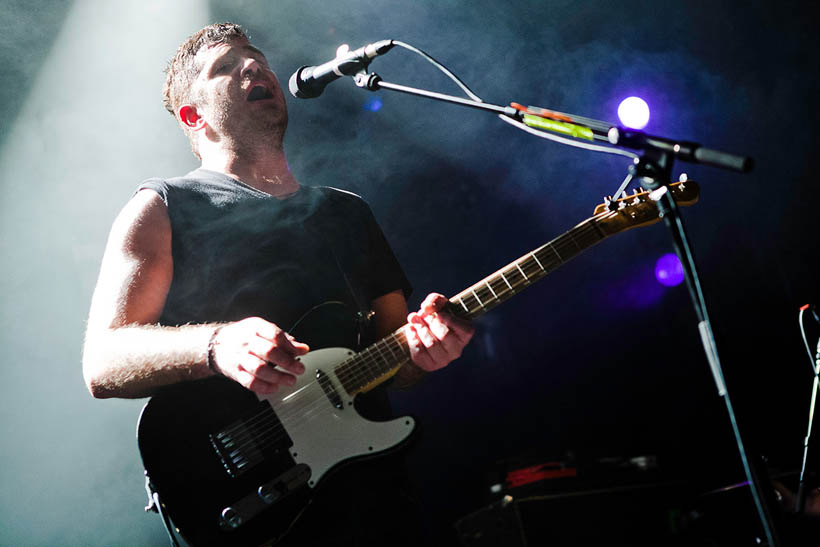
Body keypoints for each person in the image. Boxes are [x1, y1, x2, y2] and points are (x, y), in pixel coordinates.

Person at [82, 22, 473, 545]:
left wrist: (425, 352)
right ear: (193, 116)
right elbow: (103, 361)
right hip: (256, 501)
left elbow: (394, 364)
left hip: (376, 500)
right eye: (227, 67)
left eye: (257, 59)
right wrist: (216, 345)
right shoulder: (161, 208)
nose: (255, 67)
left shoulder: (347, 213)